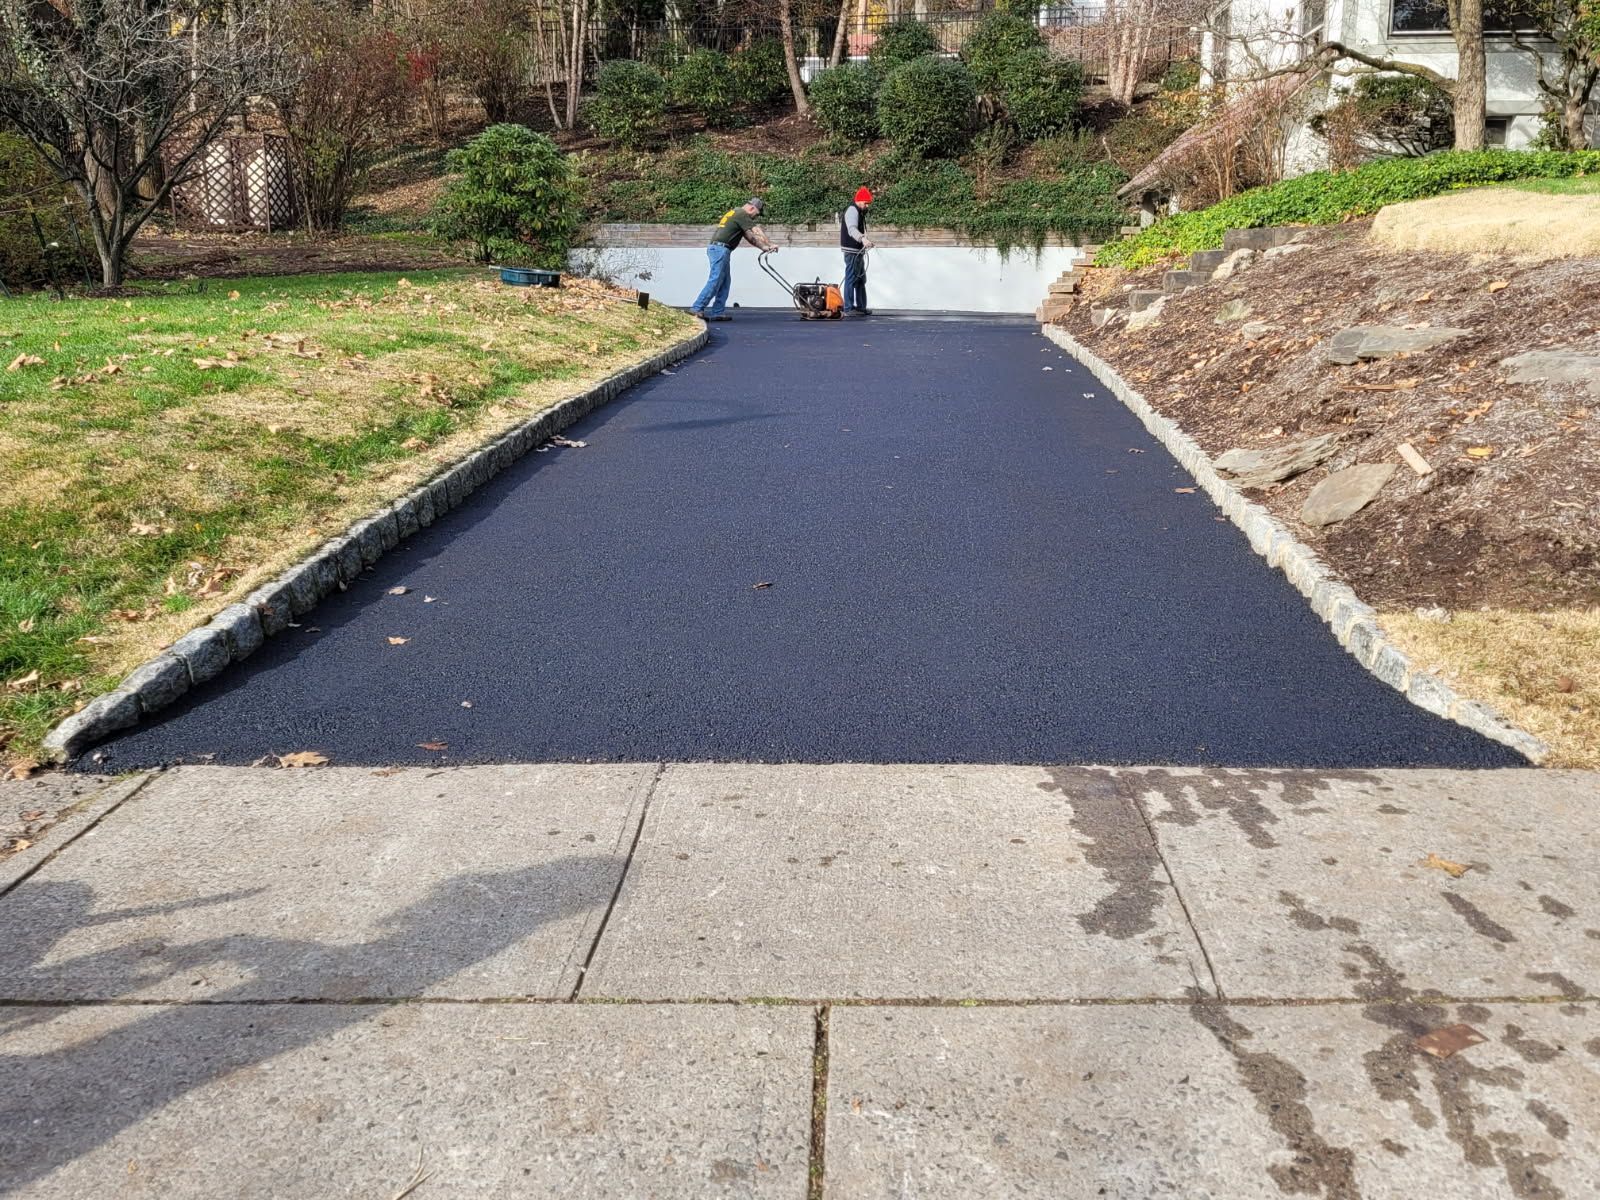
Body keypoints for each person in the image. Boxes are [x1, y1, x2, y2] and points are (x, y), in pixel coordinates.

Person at [690, 197, 778, 322]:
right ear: (752, 208)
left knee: (725, 282)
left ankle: (718, 312)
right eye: (757, 214)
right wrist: (770, 244)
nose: (756, 217)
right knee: (716, 279)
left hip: (720, 249)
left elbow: (750, 237)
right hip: (720, 249)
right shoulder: (741, 214)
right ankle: (697, 308)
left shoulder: (736, 214)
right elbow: (756, 231)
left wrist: (763, 247)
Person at [840, 187, 875, 317]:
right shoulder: (852, 210)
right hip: (851, 251)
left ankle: (861, 307)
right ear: (859, 200)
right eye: (866, 203)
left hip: (858, 251)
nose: (867, 206)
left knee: (861, 279)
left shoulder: (859, 211)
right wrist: (863, 239)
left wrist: (866, 241)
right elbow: (852, 229)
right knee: (851, 278)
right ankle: (848, 308)